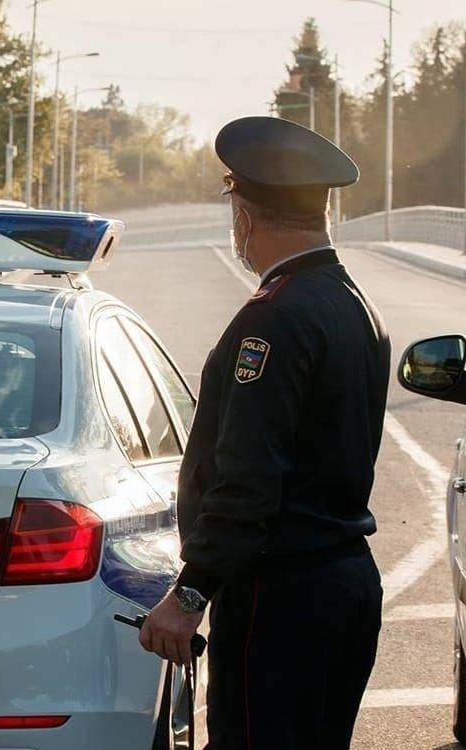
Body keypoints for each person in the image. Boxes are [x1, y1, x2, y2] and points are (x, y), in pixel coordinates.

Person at [137, 116, 390, 749]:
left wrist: (190, 594)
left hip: (282, 600)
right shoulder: (353, 304)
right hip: (344, 582)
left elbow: (248, 478)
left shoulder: (274, 319)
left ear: (244, 216)